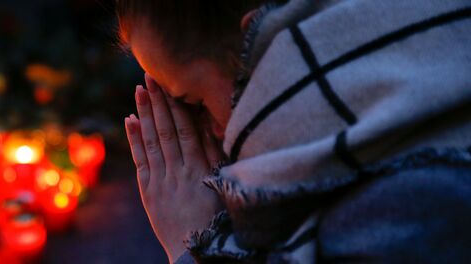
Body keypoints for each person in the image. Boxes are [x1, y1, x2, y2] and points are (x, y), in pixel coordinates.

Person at [120, 0, 471, 263]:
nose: (207, 132)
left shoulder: (401, 209)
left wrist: (193, 243)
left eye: (194, 102)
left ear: (260, 44)